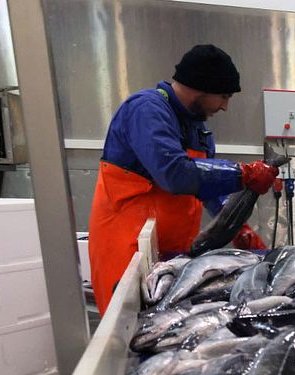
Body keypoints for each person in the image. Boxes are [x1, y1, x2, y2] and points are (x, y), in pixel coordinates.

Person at [88, 44, 278, 313]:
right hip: (127, 254)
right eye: (223, 96)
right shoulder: (146, 110)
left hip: (172, 256)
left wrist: (238, 228)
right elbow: (175, 174)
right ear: (201, 87)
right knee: (129, 328)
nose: (225, 107)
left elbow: (207, 188)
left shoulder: (198, 128)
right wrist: (244, 174)